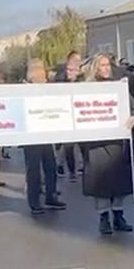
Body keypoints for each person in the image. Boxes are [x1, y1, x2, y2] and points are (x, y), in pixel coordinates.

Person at [80, 53, 134, 234]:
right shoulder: (87, 89)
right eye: (102, 65)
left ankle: (119, 215)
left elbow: (133, 108)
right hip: (97, 142)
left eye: (108, 65)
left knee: (120, 179)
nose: (106, 68)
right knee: (101, 181)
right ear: (95, 68)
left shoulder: (118, 87)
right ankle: (104, 217)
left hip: (117, 140)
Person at [23, 59, 66, 215]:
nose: (45, 79)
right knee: (33, 170)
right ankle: (34, 201)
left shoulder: (46, 90)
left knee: (50, 166)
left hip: (45, 134)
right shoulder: (24, 91)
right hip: (31, 136)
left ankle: (51, 195)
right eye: (42, 76)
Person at [55, 51, 83, 179]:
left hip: (81, 117)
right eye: (69, 69)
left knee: (82, 144)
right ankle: (71, 171)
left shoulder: (83, 80)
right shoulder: (60, 79)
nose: (70, 72)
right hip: (66, 117)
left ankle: (83, 167)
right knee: (68, 146)